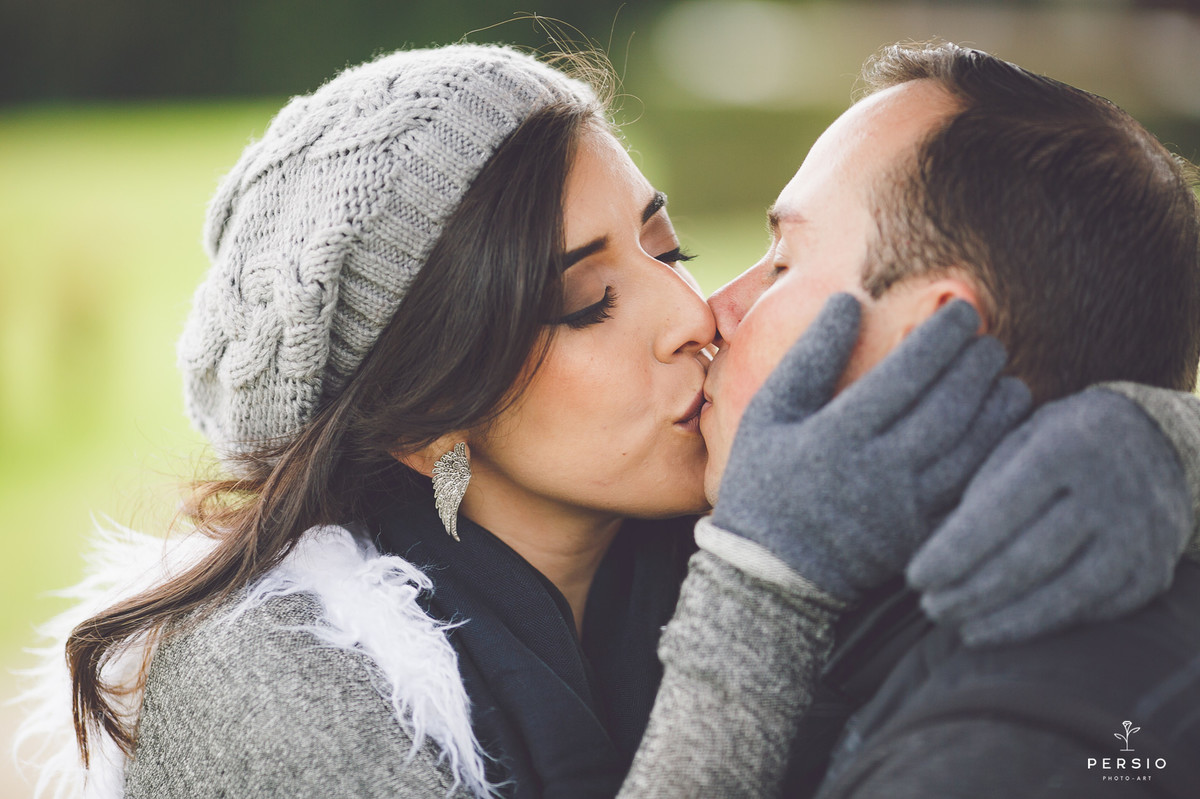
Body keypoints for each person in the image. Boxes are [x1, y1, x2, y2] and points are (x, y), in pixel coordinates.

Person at [14, 41, 1200, 799]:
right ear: (430, 412)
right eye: (588, 301)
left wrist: (1148, 435)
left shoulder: (771, 507)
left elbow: (1047, 345)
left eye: (668, 245)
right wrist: (762, 593)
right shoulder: (274, 686)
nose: (693, 313)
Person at [621, 41, 1200, 798]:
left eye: (783, 263)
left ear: (933, 342)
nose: (714, 310)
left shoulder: (992, 762)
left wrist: (762, 581)